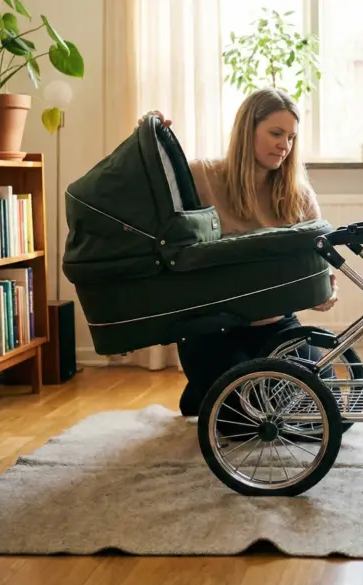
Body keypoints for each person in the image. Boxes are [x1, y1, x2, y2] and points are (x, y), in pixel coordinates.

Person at [139, 88, 338, 417]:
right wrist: (151, 137)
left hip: (278, 325)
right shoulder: (204, 175)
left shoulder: (297, 195)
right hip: (214, 327)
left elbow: (320, 268)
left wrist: (325, 290)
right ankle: (208, 387)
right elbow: (152, 191)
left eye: (290, 137)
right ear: (248, 130)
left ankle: (207, 389)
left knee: (324, 414)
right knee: (246, 421)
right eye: (275, 133)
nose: (284, 146)